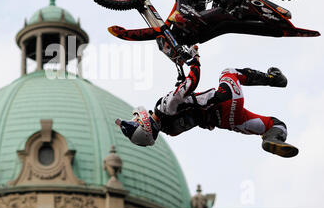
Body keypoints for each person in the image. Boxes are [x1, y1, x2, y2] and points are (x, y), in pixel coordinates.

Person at [115, 45, 299, 158]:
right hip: (224, 102)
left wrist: (182, 86)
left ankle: (272, 139)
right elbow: (192, 82)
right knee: (228, 72)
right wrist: (194, 60)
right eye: (135, 122)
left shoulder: (170, 131)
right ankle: (273, 79)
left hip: (226, 122)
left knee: (275, 124)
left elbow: (187, 107)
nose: (136, 119)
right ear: (144, 126)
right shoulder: (165, 106)